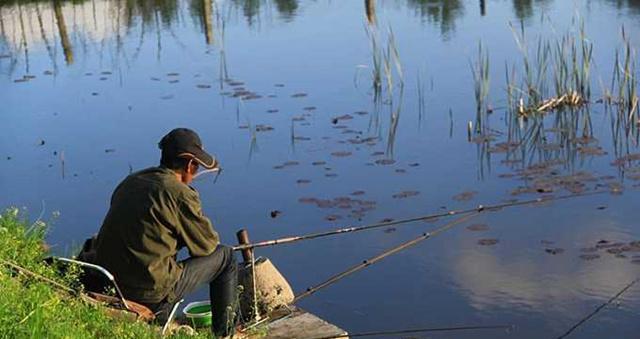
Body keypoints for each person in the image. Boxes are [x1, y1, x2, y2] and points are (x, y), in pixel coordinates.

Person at [92, 128, 238, 337]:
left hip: (108, 282)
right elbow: (206, 246)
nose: (195, 174)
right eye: (196, 167)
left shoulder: (130, 181)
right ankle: (225, 334)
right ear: (189, 164)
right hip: (149, 293)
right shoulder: (179, 193)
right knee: (226, 256)